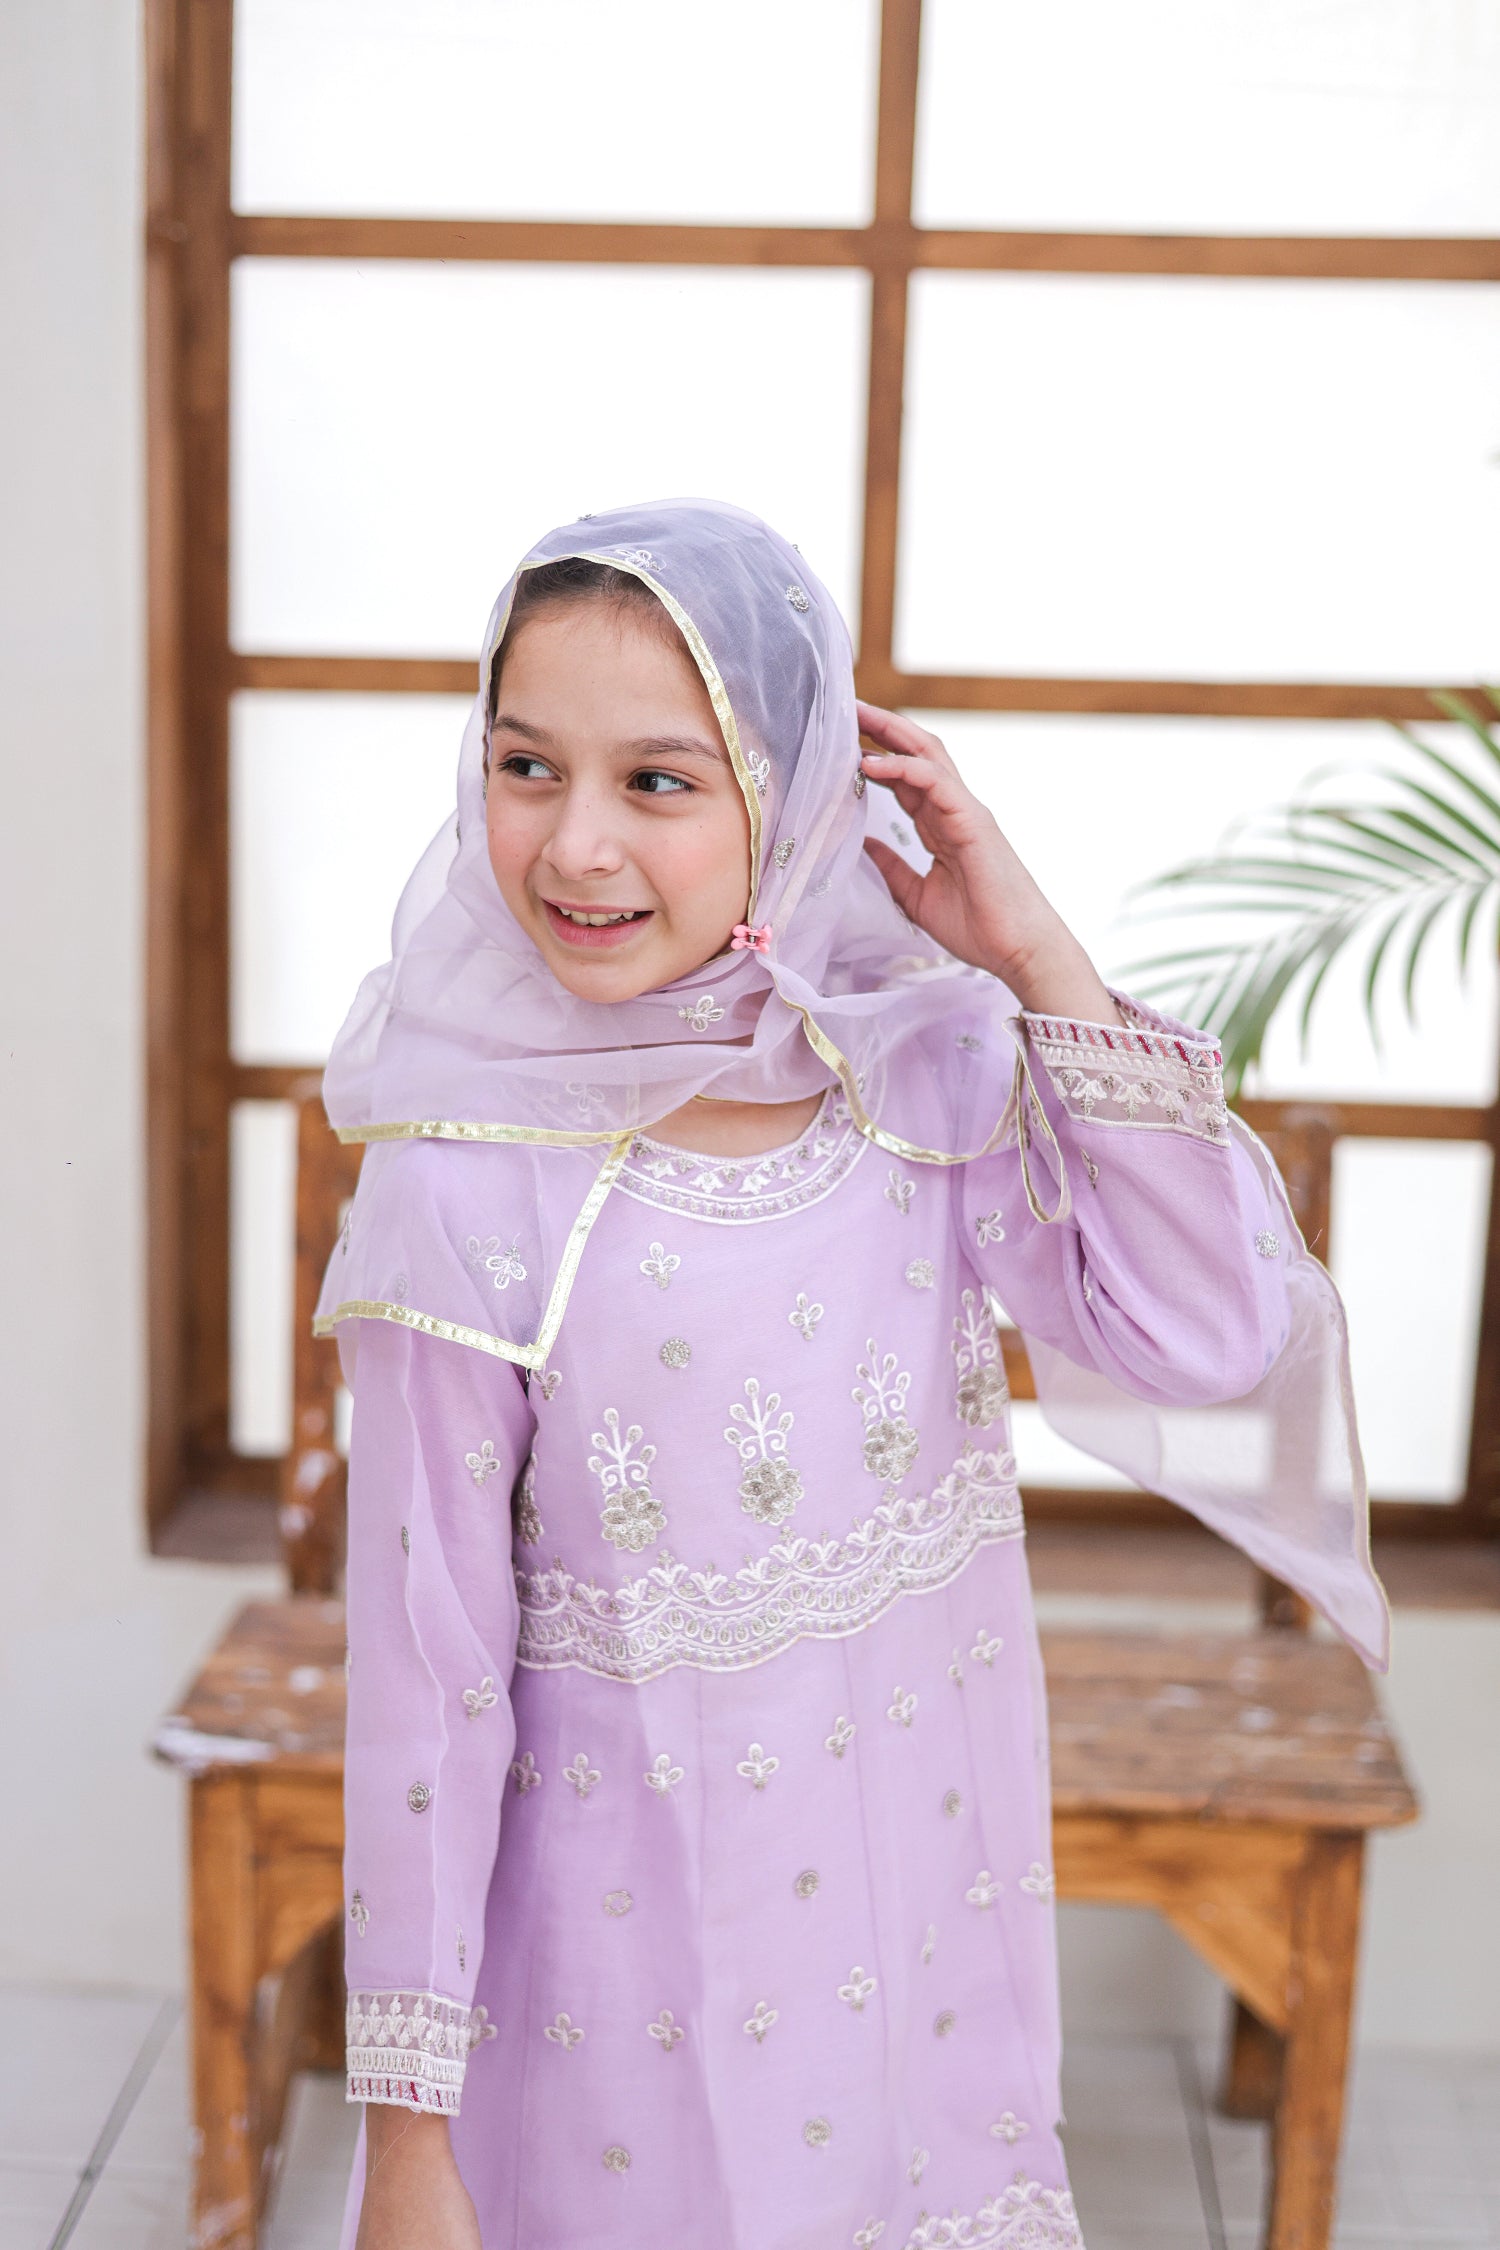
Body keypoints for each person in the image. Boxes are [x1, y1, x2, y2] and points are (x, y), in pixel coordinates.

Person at [317, 499, 1389, 2250]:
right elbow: (426, 1682)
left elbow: (1212, 1334)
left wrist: (1032, 951)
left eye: (659, 781)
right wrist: (410, 2147)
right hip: (606, 1994)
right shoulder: (463, 1166)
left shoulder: (920, 1074)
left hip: (915, 1961)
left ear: (796, 794)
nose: (575, 844)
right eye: (526, 765)